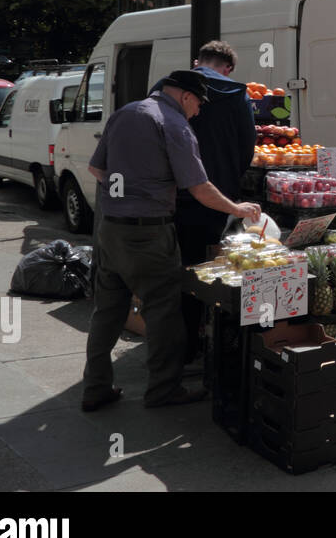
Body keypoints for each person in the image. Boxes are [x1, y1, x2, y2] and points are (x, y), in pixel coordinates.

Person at [82, 70, 261, 412]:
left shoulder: (126, 112)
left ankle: (95, 387)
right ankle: (164, 389)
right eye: (198, 105)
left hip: (110, 227)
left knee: (107, 312)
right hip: (149, 232)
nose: (197, 112)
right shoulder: (175, 124)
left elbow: (97, 169)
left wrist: (124, 192)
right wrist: (236, 207)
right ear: (184, 96)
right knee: (164, 311)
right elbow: (199, 188)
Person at [152, 41, 256, 363]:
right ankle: (194, 344)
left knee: (171, 273)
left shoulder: (167, 86)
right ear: (228, 68)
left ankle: (170, 348)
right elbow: (246, 148)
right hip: (215, 199)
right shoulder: (238, 94)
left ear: (197, 62)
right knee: (204, 274)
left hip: (169, 198)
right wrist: (227, 184)